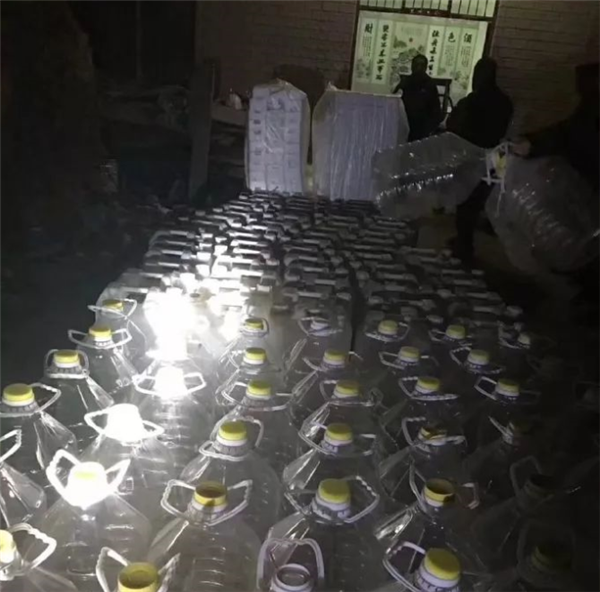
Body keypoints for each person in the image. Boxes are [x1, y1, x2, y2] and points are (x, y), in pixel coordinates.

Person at [446, 57, 514, 264]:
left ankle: (464, 245)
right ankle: (470, 238)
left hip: (473, 156)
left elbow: (454, 125)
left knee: (466, 203)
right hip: (498, 156)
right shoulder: (505, 101)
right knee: (485, 199)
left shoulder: (472, 101)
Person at [512, 62, 600, 193]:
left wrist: (532, 144)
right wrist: (532, 143)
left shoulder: (590, 111)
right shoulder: (589, 111)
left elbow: (566, 135)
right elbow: (564, 133)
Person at [394, 54, 443, 142]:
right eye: (416, 65)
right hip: (404, 123)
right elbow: (394, 102)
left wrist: (428, 130)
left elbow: (436, 112)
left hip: (423, 127)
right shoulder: (406, 82)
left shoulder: (430, 84)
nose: (418, 68)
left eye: (421, 65)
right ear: (412, 66)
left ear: (425, 68)